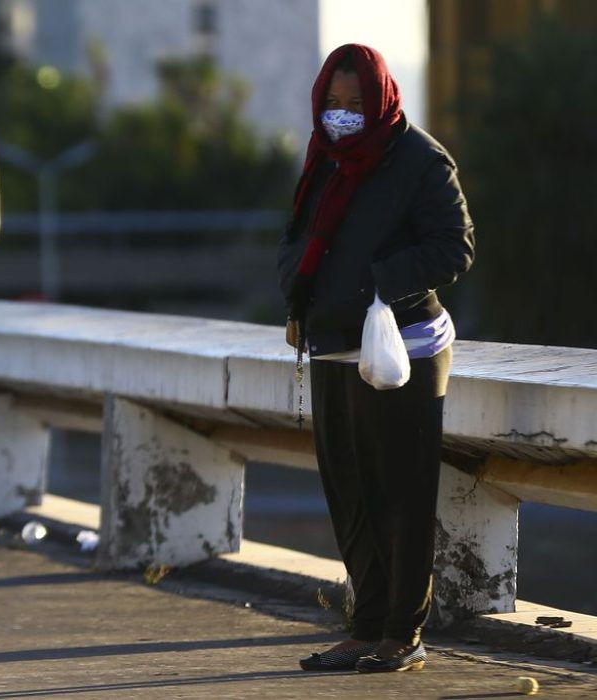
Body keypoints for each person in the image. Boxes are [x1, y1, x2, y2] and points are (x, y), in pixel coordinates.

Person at [277, 44, 474, 673]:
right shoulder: (324, 159)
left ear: (381, 100)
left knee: (401, 493)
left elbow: (454, 245)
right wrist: (299, 290)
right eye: (332, 104)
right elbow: (302, 238)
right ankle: (364, 627)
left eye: (355, 105)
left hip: (403, 347)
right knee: (350, 492)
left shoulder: (418, 158)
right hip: (334, 346)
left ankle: (403, 634)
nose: (341, 116)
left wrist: (377, 283)